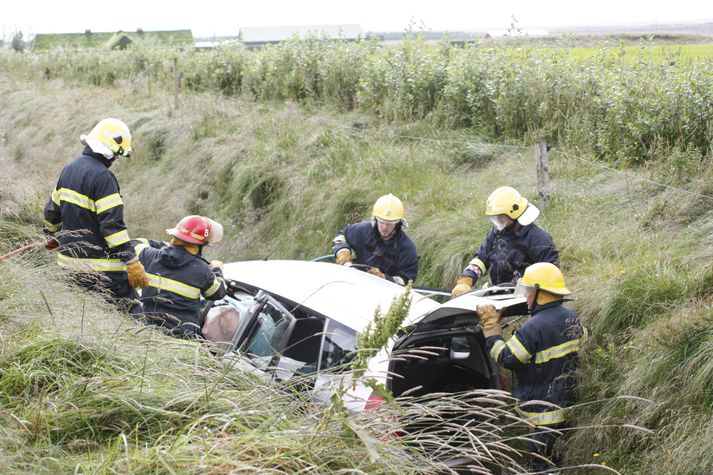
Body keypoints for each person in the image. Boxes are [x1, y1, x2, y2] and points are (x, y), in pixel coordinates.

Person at [476, 262, 586, 469]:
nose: (525, 296)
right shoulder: (572, 318)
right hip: (569, 406)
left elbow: (507, 358)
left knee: (542, 464)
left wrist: (492, 331)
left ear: (539, 292)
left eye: (528, 291)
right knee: (559, 461)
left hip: (543, 413)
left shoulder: (533, 328)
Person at [43, 118, 148, 312]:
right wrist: (132, 262)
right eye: (116, 156)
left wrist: (51, 238)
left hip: (68, 267)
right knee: (131, 317)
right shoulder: (103, 179)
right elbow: (112, 228)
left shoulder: (69, 169)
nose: (115, 161)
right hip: (102, 272)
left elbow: (51, 214)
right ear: (109, 152)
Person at [451, 186, 559, 297]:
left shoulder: (539, 239)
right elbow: (481, 258)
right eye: (495, 217)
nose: (497, 221)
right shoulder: (496, 232)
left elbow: (551, 272)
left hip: (522, 298)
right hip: (494, 292)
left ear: (514, 213)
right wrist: (466, 279)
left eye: (500, 217)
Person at [133, 215, 227, 338]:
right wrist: (217, 269)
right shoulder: (202, 271)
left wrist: (166, 247)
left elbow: (133, 243)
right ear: (200, 245)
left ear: (175, 237)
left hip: (146, 333)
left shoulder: (150, 256)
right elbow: (218, 292)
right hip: (179, 340)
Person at [332, 193, 418, 285]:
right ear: (375, 219)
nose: (385, 227)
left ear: (398, 223)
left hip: (386, 292)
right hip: (356, 282)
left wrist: (383, 278)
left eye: (389, 223)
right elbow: (341, 235)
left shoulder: (407, 248)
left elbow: (406, 280)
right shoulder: (363, 230)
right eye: (382, 222)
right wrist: (342, 252)